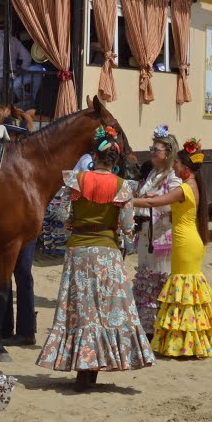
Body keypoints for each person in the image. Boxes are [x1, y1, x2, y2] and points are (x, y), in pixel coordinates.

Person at [37, 126, 154, 391]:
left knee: (81, 309)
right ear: (114, 161)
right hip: (108, 253)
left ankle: (83, 367)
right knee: (108, 310)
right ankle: (98, 365)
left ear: (94, 156)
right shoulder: (123, 187)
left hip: (78, 251)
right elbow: (126, 226)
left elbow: (61, 214)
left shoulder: (76, 181)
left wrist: (73, 223)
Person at [135, 138, 212, 358]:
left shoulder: (184, 187)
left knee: (183, 289)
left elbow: (154, 204)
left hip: (184, 242)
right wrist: (155, 196)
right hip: (188, 239)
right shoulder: (193, 185)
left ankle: (184, 341)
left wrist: (128, 200)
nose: (174, 167)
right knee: (186, 290)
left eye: (177, 164)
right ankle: (187, 340)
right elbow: (163, 200)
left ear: (184, 167)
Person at [132, 125, 182, 338]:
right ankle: (146, 327)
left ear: (168, 153)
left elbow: (173, 203)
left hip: (162, 236)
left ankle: (160, 329)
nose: (152, 153)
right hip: (145, 233)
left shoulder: (172, 177)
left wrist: (151, 201)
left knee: (160, 281)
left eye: (156, 150)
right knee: (146, 280)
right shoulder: (152, 173)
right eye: (151, 149)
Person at [0, 15, 33, 107]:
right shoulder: (14, 40)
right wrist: (20, 71)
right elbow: (27, 57)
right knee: (7, 107)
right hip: (10, 79)